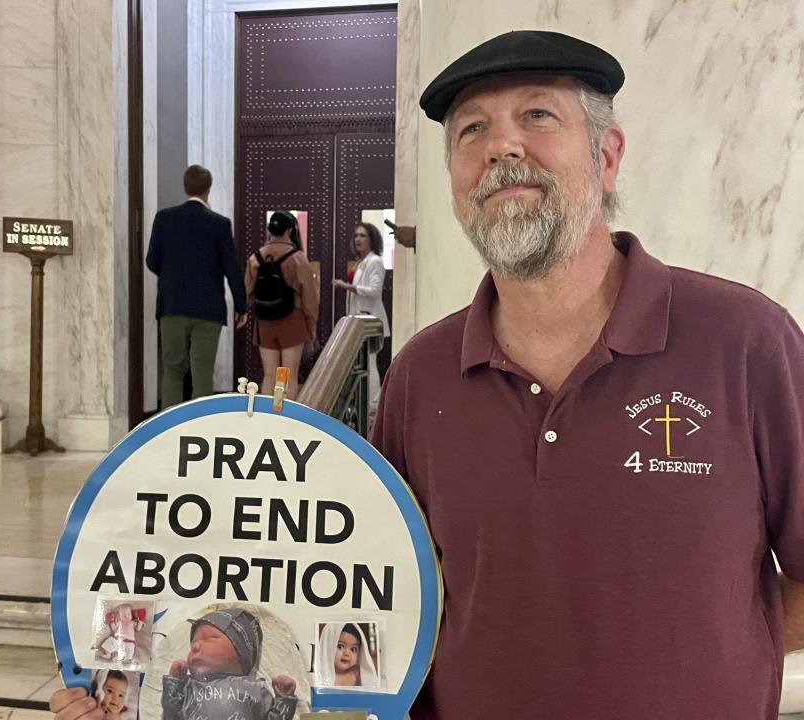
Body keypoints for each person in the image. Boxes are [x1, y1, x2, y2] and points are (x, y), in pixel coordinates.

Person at [370, 29, 804, 720]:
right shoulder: (421, 376)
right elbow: (385, 593)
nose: (500, 147)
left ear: (606, 156)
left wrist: (703, 650)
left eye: (537, 116)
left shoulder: (747, 343)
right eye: (471, 130)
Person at [146, 165, 247, 410]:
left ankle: (169, 428)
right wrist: (241, 306)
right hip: (208, 310)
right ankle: (198, 430)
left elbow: (152, 260)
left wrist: (173, 276)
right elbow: (231, 267)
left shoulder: (164, 218)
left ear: (185, 187)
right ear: (208, 190)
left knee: (172, 369)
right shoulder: (220, 224)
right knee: (202, 371)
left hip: (172, 306)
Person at [161, 607, 298, 720]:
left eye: (209, 638)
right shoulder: (189, 686)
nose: (195, 646)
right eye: (192, 644)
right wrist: (174, 684)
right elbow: (171, 713)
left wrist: (284, 700)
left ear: (240, 652)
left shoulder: (255, 688)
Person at [245, 211, 319, 400]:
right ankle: (285, 419)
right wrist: (311, 323)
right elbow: (309, 297)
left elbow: (247, 290)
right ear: (290, 230)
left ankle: (267, 419)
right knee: (288, 375)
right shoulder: (297, 258)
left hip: (265, 321)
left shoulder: (256, 258)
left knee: (269, 375)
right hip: (292, 319)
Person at [333, 223, 390, 418]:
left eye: (363, 235)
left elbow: (374, 291)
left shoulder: (375, 262)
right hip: (359, 317)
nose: (358, 239)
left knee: (370, 361)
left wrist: (347, 287)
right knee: (364, 361)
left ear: (372, 238)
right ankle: (366, 400)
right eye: (356, 235)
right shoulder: (362, 261)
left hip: (370, 318)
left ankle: (374, 403)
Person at [314, 622, 378, 688]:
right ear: (327, 648)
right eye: (340, 646)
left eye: (353, 649)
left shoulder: (358, 673)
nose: (347, 653)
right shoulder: (320, 675)